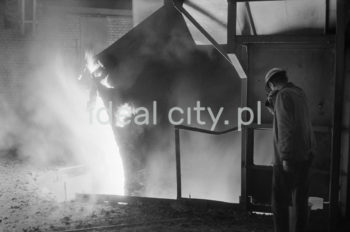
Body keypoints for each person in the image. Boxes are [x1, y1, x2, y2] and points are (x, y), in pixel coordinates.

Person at [264, 68, 315, 232]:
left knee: (279, 202)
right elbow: (292, 119)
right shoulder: (299, 92)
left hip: (288, 158)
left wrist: (285, 157)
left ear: (272, 84)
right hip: (306, 154)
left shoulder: (283, 96)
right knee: (300, 200)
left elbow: (285, 127)